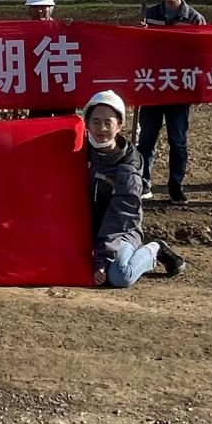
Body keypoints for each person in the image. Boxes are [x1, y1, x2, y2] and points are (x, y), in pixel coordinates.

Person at [84, 90, 186, 287]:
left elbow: (121, 215)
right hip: (88, 232)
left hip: (120, 233)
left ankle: (154, 249)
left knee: (120, 275)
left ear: (119, 125)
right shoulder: (80, 153)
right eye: (96, 122)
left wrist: (103, 259)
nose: (101, 128)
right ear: (86, 123)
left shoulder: (128, 166)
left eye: (108, 123)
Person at [138, 0, 206, 203]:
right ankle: (143, 183)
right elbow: (138, 50)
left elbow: (203, 54)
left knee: (177, 141)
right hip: (153, 87)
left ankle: (176, 185)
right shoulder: (149, 16)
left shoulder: (194, 19)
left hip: (179, 89)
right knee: (147, 138)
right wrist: (138, 35)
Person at [24, 0, 63, 118]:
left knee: (64, 125)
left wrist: (70, 28)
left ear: (50, 8)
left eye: (43, 7)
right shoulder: (22, 34)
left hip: (60, 90)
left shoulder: (62, 31)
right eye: (35, 7)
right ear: (29, 10)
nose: (39, 11)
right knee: (37, 125)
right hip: (37, 92)